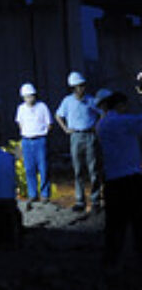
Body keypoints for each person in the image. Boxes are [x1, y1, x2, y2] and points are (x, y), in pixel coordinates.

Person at [95, 91, 142, 271]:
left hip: (112, 180)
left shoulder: (102, 124)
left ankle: (110, 261)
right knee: (138, 222)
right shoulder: (122, 121)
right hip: (131, 179)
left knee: (114, 224)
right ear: (120, 105)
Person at [55, 71, 101, 213]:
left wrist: (96, 126)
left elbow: (101, 112)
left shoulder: (91, 100)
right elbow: (58, 115)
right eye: (78, 86)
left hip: (89, 135)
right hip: (75, 136)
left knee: (93, 169)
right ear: (73, 88)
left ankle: (95, 200)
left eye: (82, 86)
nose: (81, 89)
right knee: (78, 170)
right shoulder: (67, 101)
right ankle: (80, 201)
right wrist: (65, 129)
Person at [14, 82, 52, 207]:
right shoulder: (21, 108)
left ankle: (45, 194)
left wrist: (43, 133)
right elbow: (19, 122)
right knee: (29, 169)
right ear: (23, 97)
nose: (29, 99)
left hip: (40, 139)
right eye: (26, 97)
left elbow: (49, 123)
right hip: (26, 140)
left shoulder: (42, 107)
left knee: (43, 168)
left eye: (31, 96)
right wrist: (25, 133)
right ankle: (32, 194)